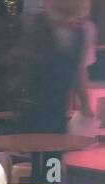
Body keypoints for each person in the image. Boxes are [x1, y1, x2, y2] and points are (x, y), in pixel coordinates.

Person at [16, 0, 95, 134]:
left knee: (53, 147)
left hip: (58, 105)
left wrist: (85, 106)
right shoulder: (32, 24)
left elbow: (80, 71)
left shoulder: (83, 30)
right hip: (26, 102)